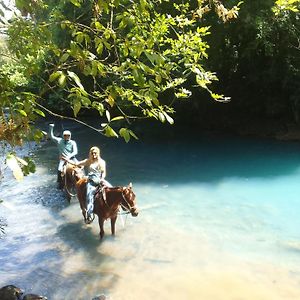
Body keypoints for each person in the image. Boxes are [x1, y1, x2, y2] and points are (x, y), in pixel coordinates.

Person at [76, 146, 111, 222]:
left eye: (95, 153)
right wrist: (68, 160)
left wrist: (102, 178)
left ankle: (117, 208)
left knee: (111, 188)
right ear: (90, 153)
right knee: (89, 195)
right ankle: (90, 213)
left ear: (98, 153)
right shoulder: (89, 161)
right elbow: (78, 163)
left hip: (100, 179)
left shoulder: (102, 162)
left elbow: (104, 172)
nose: (94, 154)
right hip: (91, 181)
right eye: (92, 153)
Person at [48, 123, 78, 189]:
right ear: (63, 136)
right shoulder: (59, 141)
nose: (67, 137)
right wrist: (51, 128)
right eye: (65, 135)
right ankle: (59, 183)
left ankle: (82, 180)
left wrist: (69, 156)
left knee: (80, 167)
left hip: (72, 158)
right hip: (63, 159)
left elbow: (75, 151)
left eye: (68, 135)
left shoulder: (73, 142)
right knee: (59, 170)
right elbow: (51, 136)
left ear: (70, 136)